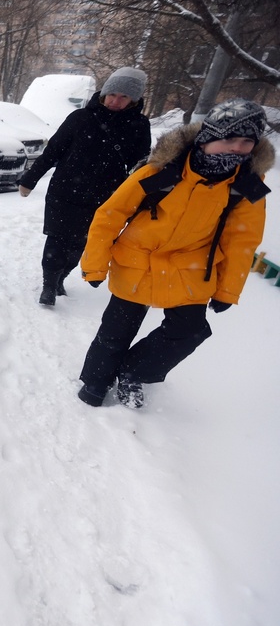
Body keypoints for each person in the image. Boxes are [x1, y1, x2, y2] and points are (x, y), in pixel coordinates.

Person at [76, 98, 272, 408]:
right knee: (116, 330)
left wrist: (227, 290)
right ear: (208, 137)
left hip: (191, 265)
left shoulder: (247, 184)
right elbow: (110, 215)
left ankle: (133, 372)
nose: (237, 148)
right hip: (138, 258)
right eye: (229, 139)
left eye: (247, 141)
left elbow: (242, 241)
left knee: (190, 331)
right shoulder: (164, 169)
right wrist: (95, 266)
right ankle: (95, 381)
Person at [18, 67, 152, 306]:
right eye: (112, 94)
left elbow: (140, 165)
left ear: (134, 100)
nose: (115, 101)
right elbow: (53, 151)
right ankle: (49, 285)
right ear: (104, 93)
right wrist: (30, 179)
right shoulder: (80, 118)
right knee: (57, 239)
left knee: (83, 242)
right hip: (65, 190)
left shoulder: (139, 126)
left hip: (104, 196)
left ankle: (62, 277)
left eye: (123, 97)